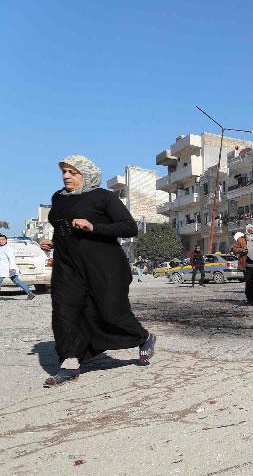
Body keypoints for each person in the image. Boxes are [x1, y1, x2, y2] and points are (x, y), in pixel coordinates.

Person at [39, 155, 155, 387]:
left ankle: (143, 337)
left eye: (72, 172)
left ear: (86, 174)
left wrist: (94, 227)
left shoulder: (103, 197)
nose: (66, 176)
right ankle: (70, 362)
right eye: (64, 171)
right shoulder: (58, 198)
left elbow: (129, 227)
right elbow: (62, 227)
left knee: (110, 312)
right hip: (67, 265)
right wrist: (51, 241)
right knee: (64, 311)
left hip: (104, 266)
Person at [0, 234, 35, 300]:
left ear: (6, 240)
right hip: (3, 268)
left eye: (3, 240)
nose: (1, 241)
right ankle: (30, 293)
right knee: (17, 281)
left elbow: (11, 258)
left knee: (16, 281)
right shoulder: (1, 247)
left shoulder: (7, 248)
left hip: (7, 269)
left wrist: (12, 267)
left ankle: (30, 293)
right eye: (0, 240)